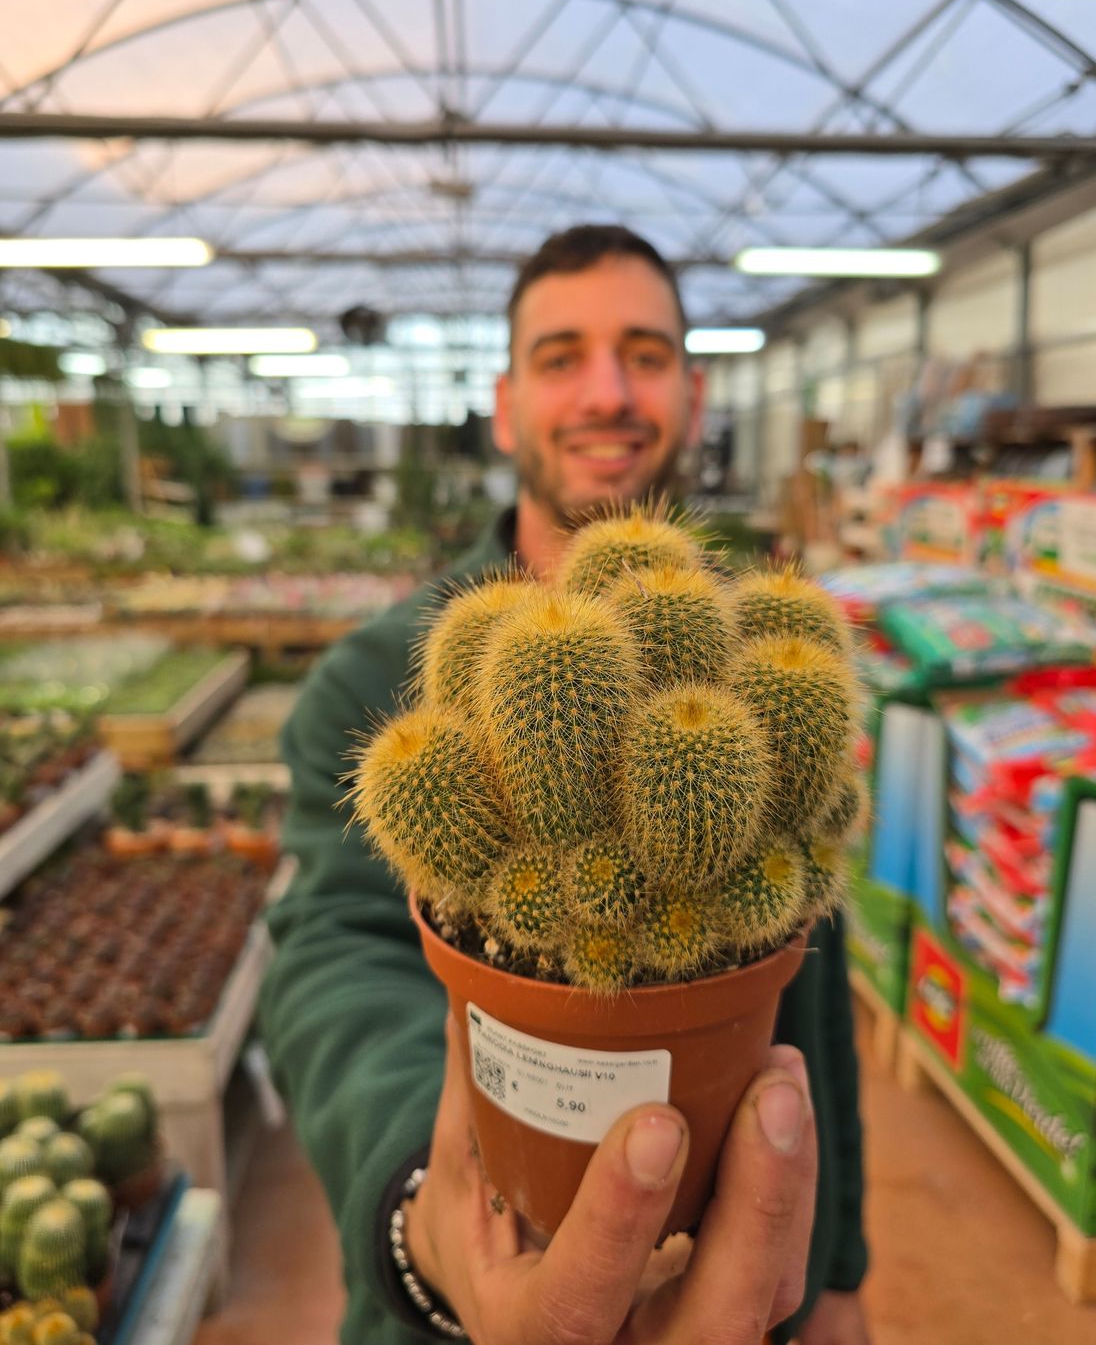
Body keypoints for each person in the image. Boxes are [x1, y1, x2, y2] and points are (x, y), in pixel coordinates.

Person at [259, 225, 871, 1344]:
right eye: (561, 357)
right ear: (504, 403)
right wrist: (426, 1209)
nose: (606, 392)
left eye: (643, 355)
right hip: (457, 1308)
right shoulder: (377, 678)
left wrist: (838, 1271)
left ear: (691, 392)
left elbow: (806, 995)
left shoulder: (753, 658)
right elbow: (330, 959)